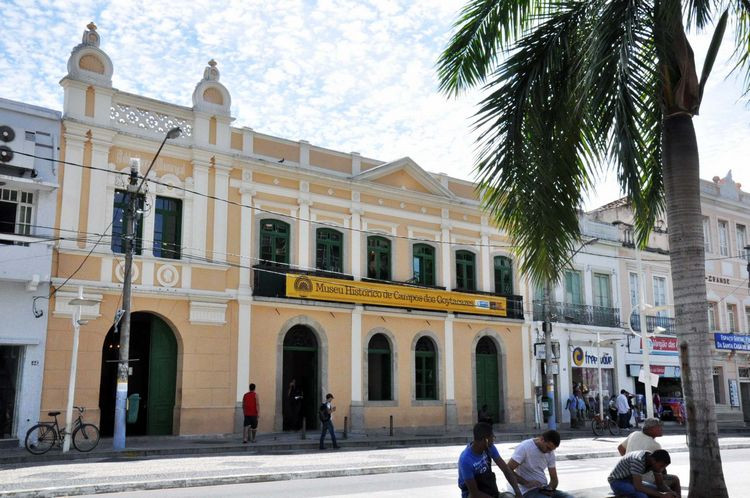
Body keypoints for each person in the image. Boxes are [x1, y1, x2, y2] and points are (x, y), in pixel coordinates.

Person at [617, 418, 681, 496]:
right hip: (644, 479)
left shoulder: (634, 434)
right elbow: (659, 467)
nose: (661, 429)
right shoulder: (655, 445)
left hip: (630, 477)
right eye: (659, 427)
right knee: (675, 479)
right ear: (650, 429)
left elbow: (620, 448)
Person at [457, 422, 522, 498]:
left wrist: (517, 492)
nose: (493, 439)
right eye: (492, 437)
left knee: (509, 496)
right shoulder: (466, 460)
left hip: (488, 488)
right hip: (471, 493)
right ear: (485, 440)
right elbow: (474, 493)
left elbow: (506, 469)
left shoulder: (489, 447)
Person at [506, 430, 574, 497]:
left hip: (544, 489)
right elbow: (508, 469)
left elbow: (554, 479)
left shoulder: (550, 452)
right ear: (542, 439)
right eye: (548, 448)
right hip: (527, 491)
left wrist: (549, 489)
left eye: (552, 450)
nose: (549, 452)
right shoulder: (524, 447)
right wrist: (526, 483)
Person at [608, 450, 677, 497]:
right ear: (653, 460)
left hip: (631, 481)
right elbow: (638, 487)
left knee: (655, 489)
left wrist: (671, 493)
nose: (661, 469)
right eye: (661, 466)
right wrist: (662, 495)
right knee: (641, 495)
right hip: (616, 481)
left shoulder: (652, 460)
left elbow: (660, 484)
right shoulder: (638, 460)